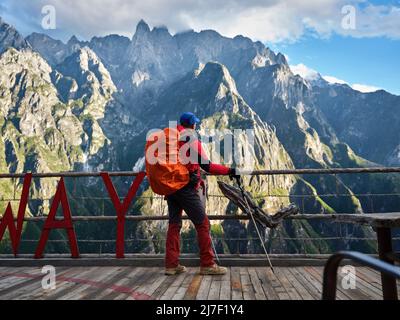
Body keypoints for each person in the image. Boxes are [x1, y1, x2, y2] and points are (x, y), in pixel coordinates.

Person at [165, 112, 236, 275]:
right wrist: (230, 170)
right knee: (203, 224)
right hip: (185, 188)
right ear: (191, 125)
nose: (196, 126)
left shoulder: (170, 139)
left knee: (174, 224)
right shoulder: (190, 139)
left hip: (170, 186)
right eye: (195, 124)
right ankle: (207, 264)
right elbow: (208, 166)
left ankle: (171, 265)